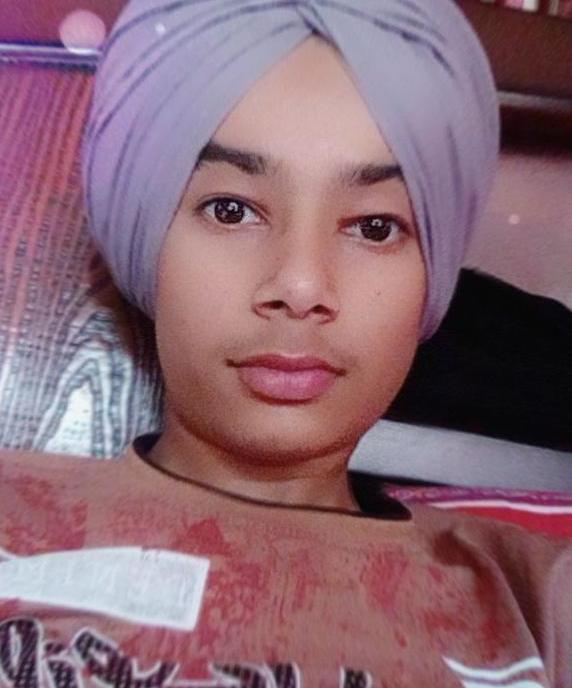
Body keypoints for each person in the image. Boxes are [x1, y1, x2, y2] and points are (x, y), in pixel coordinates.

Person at [0, 1, 570, 686]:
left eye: (375, 227)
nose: (300, 286)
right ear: (147, 238)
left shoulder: (538, 602)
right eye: (231, 210)